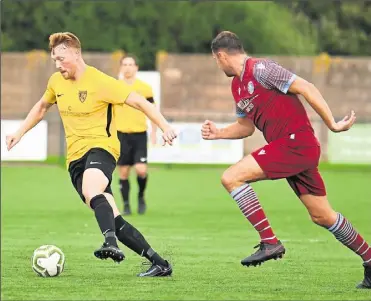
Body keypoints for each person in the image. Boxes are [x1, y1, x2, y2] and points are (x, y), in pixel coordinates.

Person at [201, 30, 370, 289]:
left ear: (221, 55)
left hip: (296, 143)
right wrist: (219, 133)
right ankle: (370, 261)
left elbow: (307, 87)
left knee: (231, 177)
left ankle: (270, 241)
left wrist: (333, 125)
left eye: (215, 59)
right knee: (323, 216)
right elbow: (245, 127)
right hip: (291, 149)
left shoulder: (262, 69)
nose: (217, 64)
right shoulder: (236, 85)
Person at [5, 32, 175, 277]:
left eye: (62, 58)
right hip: (74, 160)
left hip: (102, 148)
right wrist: (19, 132)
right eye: (54, 60)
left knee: (92, 190)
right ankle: (159, 263)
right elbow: (42, 107)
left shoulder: (100, 81)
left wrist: (164, 125)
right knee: (113, 217)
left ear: (76, 53)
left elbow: (140, 102)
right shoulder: (56, 82)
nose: (58, 65)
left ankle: (110, 242)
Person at [114, 54, 157, 216]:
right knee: (124, 172)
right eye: (125, 64)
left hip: (139, 135)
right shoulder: (115, 87)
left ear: (136, 68)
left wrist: (154, 132)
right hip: (121, 136)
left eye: (131, 64)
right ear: (120, 67)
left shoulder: (144, 88)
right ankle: (125, 205)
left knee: (141, 170)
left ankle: (141, 196)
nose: (128, 67)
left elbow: (152, 110)